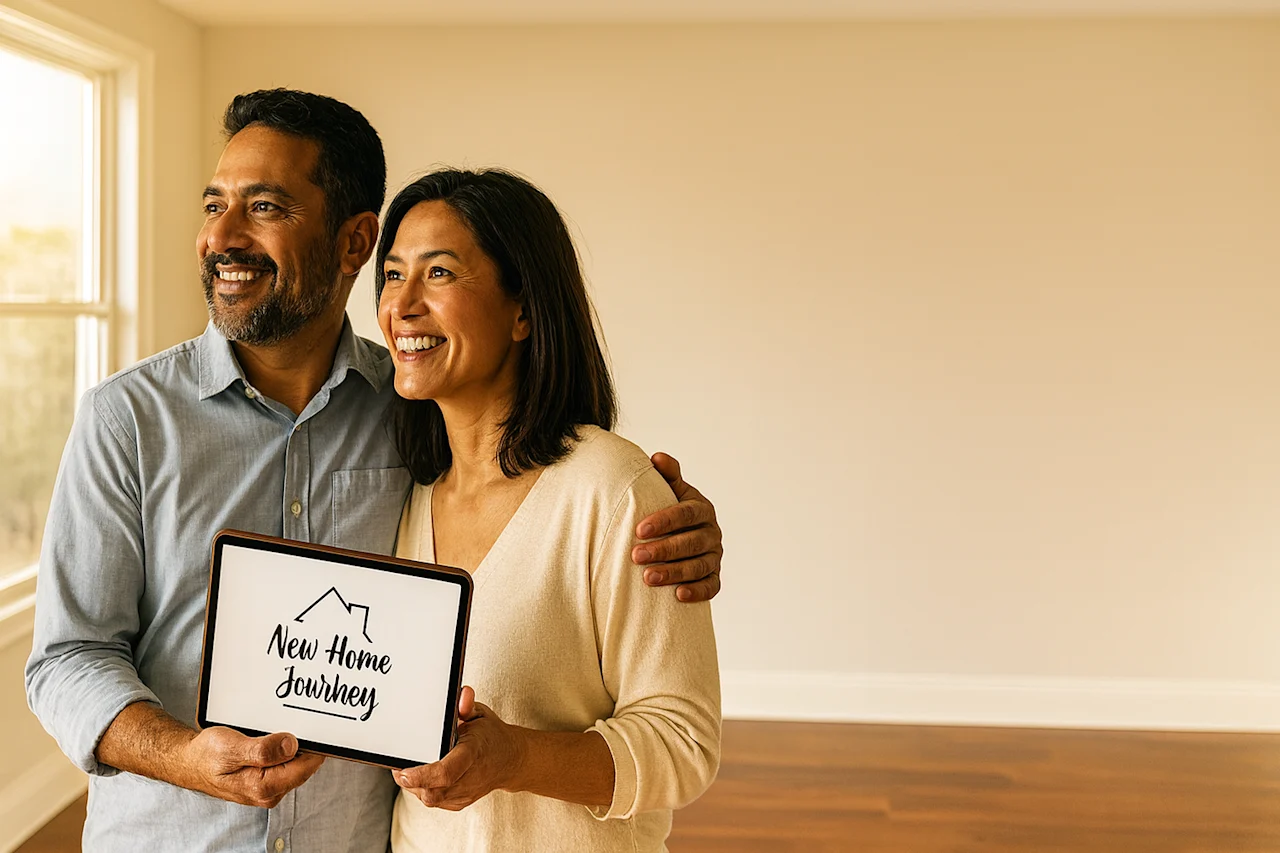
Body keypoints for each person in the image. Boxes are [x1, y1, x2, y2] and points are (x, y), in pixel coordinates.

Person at [25, 89, 724, 853]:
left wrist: (659, 514)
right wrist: (187, 757)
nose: (220, 236)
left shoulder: (414, 420)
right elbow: (66, 658)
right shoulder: (126, 420)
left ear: (352, 240)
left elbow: (559, 515)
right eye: (214, 203)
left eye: (264, 207)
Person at [375, 169, 720, 852]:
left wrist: (517, 759)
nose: (402, 305)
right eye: (391, 274)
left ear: (523, 310)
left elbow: (685, 743)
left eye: (439, 273)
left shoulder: (613, 490)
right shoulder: (402, 494)